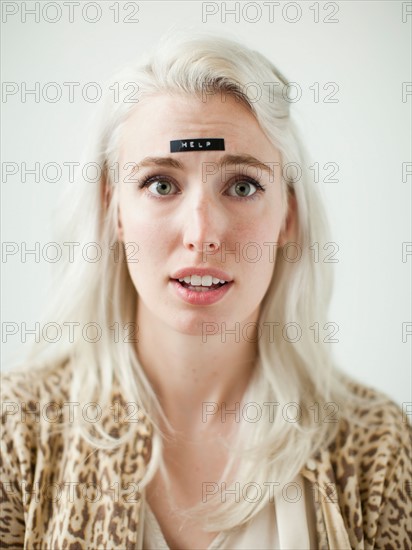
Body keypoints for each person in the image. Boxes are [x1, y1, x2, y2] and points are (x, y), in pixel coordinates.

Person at [1, 30, 411, 549]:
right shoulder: (18, 432)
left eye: (242, 186)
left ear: (288, 214)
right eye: (161, 184)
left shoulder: (374, 447)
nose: (202, 235)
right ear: (114, 210)